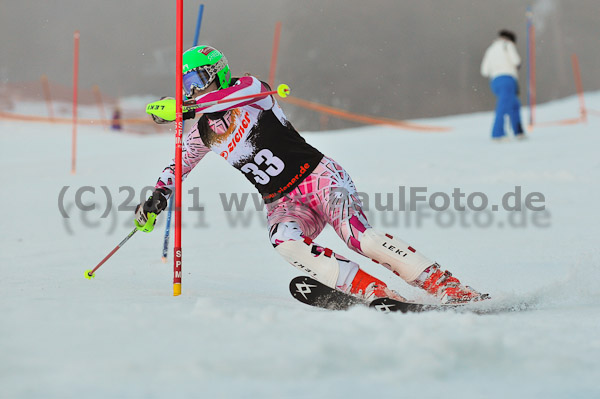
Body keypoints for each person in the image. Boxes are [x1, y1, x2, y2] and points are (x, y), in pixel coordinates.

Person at [135, 45, 488, 304]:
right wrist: (158, 195)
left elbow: (240, 93)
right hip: (283, 202)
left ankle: (448, 286)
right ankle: (371, 290)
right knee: (283, 241)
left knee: (359, 238)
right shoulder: (201, 130)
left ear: (218, 73)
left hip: (317, 177)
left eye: (197, 79)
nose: (192, 90)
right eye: (185, 84)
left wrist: (185, 107)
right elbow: (177, 165)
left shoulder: (249, 92)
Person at [480, 29, 525, 141]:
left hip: (495, 81)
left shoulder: (490, 50)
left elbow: (484, 71)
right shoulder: (508, 45)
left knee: (514, 104)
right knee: (503, 106)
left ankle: (518, 132)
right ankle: (498, 133)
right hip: (508, 79)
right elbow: (516, 61)